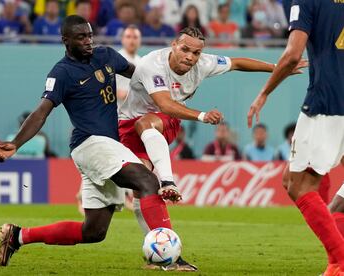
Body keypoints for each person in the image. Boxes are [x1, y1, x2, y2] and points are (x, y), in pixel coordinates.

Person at [117, 26, 307, 271]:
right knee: (142, 187)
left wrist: (278, 68)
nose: (190, 57)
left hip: (161, 123)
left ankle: (168, 185)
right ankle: (162, 256)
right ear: (174, 44)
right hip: (129, 126)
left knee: (148, 129)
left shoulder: (204, 63)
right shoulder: (151, 64)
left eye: (196, 53)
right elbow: (164, 103)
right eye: (185, 49)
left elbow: (238, 62)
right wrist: (203, 115)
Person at [0, 15, 177, 268]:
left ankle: (17, 236)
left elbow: (140, 76)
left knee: (94, 231)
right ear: (65, 40)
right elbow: (41, 112)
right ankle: (169, 259)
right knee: (147, 180)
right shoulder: (61, 73)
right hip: (90, 143)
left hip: (109, 146)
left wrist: (170, 89)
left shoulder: (106, 56)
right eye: (81, 37)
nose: (88, 41)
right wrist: (16, 143)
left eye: (90, 35)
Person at [246, 0, 344, 274]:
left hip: (329, 101)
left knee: (297, 185)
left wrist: (264, 92)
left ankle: (340, 262)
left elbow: (292, 53)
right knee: (320, 194)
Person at [116, 25, 141, 103]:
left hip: (136, 109)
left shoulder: (141, 61)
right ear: (122, 39)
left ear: (140, 40)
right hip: (118, 109)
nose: (132, 40)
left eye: (135, 37)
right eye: (128, 37)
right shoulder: (115, 59)